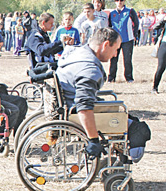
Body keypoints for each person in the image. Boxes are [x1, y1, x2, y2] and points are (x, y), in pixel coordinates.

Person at [55, 28, 133, 158]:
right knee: (137, 129)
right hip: (75, 112)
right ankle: (122, 165)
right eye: (116, 49)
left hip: (68, 103)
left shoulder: (76, 53)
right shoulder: (89, 70)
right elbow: (84, 107)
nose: (115, 55)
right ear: (106, 44)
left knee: (130, 119)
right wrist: (93, 140)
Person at [107, 0, 138, 83]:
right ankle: (111, 78)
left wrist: (135, 35)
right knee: (113, 60)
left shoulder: (130, 11)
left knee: (127, 60)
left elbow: (136, 24)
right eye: (117, 0)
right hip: (115, 40)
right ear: (115, 1)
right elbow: (109, 26)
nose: (119, 2)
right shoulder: (112, 13)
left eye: (121, 0)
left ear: (124, 1)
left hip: (127, 39)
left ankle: (129, 78)